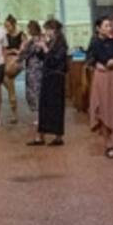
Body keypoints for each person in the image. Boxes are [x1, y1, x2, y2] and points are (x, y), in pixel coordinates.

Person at [86, 16, 113, 158]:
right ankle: (108, 143)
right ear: (98, 28)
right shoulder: (96, 43)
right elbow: (107, 62)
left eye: (110, 25)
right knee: (103, 109)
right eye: (106, 26)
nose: (109, 28)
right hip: (103, 78)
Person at [28, 18, 67, 146]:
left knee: (56, 107)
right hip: (47, 76)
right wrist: (39, 49)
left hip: (56, 77)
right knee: (44, 106)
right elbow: (44, 58)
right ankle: (41, 135)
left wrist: (45, 48)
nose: (46, 32)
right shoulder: (51, 42)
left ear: (53, 30)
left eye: (47, 29)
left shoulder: (61, 43)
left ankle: (58, 136)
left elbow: (55, 60)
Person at [21, 20, 46, 134]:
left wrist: (23, 48)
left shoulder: (35, 40)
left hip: (35, 69)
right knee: (36, 92)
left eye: (29, 28)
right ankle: (38, 116)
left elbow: (27, 53)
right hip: (35, 68)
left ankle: (39, 117)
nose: (28, 30)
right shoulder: (36, 39)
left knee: (35, 92)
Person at [3, 15, 25, 125]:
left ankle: (14, 109)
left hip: (17, 60)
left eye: (8, 26)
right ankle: (14, 109)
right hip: (8, 59)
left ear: (14, 25)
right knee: (4, 78)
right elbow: (4, 51)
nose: (6, 28)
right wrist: (12, 50)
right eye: (5, 26)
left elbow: (23, 50)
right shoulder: (5, 36)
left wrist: (16, 53)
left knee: (8, 72)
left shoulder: (21, 35)